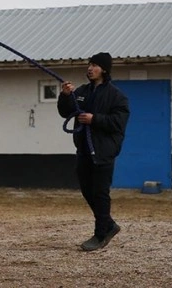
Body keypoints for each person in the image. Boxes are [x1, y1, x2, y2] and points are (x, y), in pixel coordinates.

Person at [58, 52, 129, 251]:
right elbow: (66, 111)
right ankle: (109, 225)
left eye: (95, 65)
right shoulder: (81, 92)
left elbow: (119, 122)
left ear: (104, 70)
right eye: (89, 65)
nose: (90, 68)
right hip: (83, 150)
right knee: (87, 190)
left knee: (100, 193)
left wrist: (94, 119)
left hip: (103, 151)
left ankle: (100, 234)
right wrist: (65, 96)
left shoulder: (117, 96)